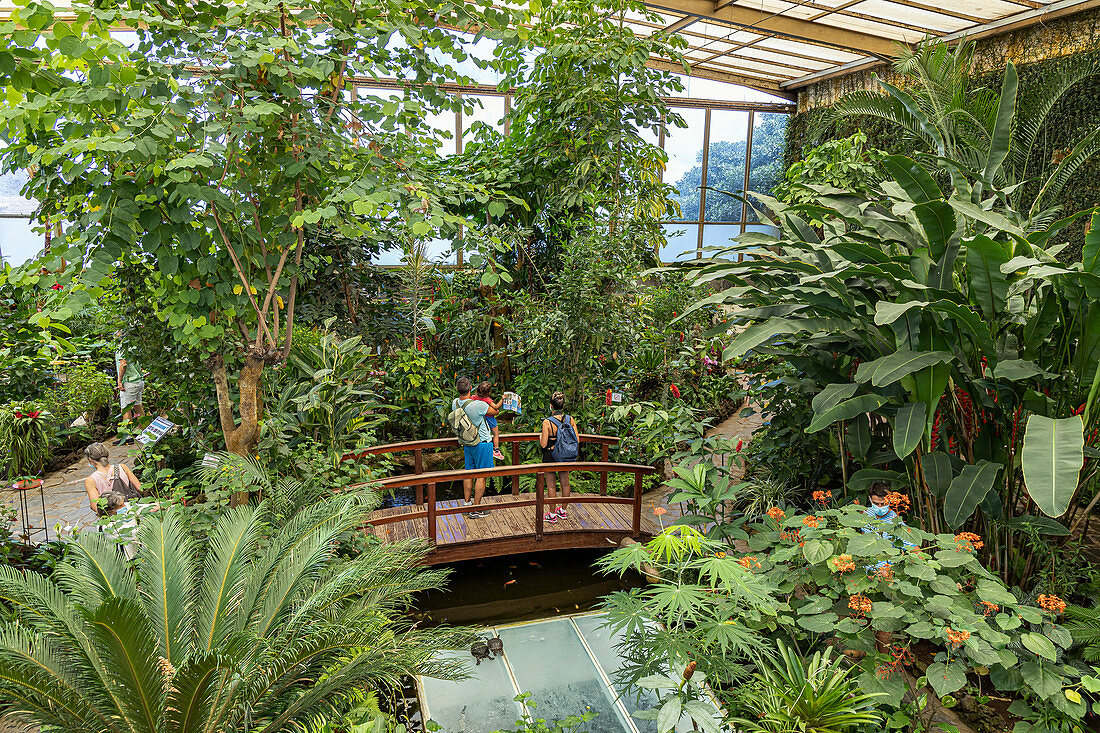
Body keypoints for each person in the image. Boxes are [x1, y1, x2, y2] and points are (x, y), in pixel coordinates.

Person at [452, 377, 500, 518]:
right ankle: (476, 509)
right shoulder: (478, 405)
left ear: (457, 389)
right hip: (482, 443)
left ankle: (467, 504)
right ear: (470, 388)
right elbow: (495, 412)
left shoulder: (455, 403)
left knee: (469, 472)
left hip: (467, 442)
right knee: (481, 476)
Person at [539, 391, 578, 525]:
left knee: (551, 485)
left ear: (551, 406)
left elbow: (544, 444)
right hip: (565, 455)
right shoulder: (570, 419)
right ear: (563, 405)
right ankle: (563, 511)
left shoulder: (547, 422)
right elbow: (577, 439)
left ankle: (552, 514)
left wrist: (540, 438)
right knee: (565, 483)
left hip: (550, 455)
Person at [84, 442, 142, 511]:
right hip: (134, 509)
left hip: (114, 516)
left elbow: (95, 506)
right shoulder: (123, 468)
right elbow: (140, 488)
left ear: (90, 459)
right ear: (108, 455)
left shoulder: (91, 480)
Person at [115, 334, 146, 429]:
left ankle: (127, 435)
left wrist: (119, 381)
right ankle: (142, 431)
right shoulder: (135, 346)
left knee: (125, 409)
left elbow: (123, 364)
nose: (114, 336)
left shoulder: (122, 347)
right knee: (138, 407)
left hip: (129, 384)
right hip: (138, 382)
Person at [475, 381, 505, 461]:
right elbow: (496, 407)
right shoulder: (487, 399)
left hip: (481, 418)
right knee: (496, 433)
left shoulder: (473, 398)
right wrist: (502, 399)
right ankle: (496, 450)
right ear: (488, 393)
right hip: (490, 417)